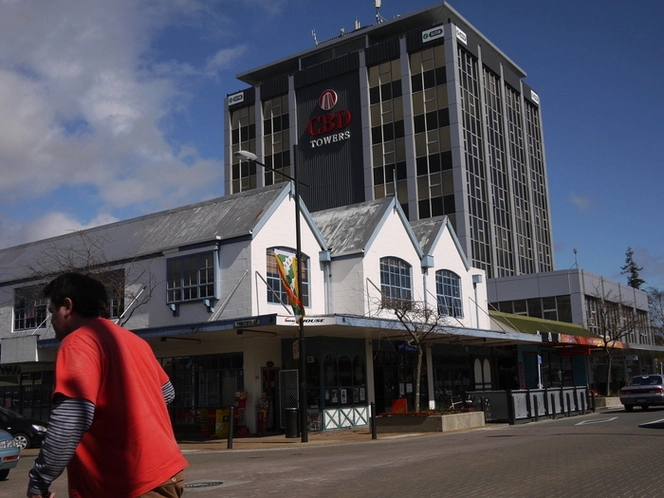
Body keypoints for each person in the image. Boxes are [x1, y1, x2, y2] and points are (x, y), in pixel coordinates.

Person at [27, 272, 188, 498]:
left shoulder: (78, 342)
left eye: (52, 312)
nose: (51, 321)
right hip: (166, 472)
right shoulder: (134, 341)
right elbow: (167, 393)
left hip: (128, 482)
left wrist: (39, 482)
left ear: (67, 306)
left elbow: (70, 419)